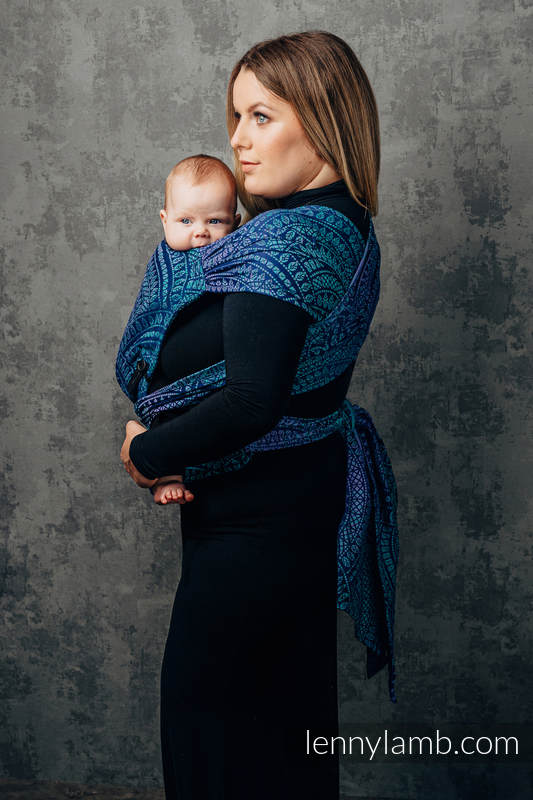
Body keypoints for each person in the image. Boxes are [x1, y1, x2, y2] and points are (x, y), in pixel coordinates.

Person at [117, 30, 399, 800]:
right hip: (293, 507)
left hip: (253, 527)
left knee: (215, 748)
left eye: (262, 116)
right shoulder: (342, 222)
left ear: (323, 118)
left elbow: (250, 400)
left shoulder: (285, 238)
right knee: (280, 740)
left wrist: (147, 452)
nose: (238, 139)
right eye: (236, 116)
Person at [147, 154, 242, 506]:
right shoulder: (165, 264)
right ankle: (167, 474)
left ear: (235, 223)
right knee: (168, 413)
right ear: (165, 220)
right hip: (170, 376)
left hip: (218, 381)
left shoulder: (238, 258)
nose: (200, 231)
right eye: (185, 220)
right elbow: (152, 313)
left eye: (215, 221)